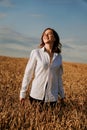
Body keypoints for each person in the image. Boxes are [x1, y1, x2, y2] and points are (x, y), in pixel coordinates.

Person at [20, 28, 65, 108]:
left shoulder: (59, 57)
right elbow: (28, 74)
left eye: (49, 33)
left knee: (51, 120)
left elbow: (58, 77)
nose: (45, 35)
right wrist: (23, 93)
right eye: (44, 34)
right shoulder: (36, 53)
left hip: (52, 98)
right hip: (36, 95)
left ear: (54, 38)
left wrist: (62, 95)